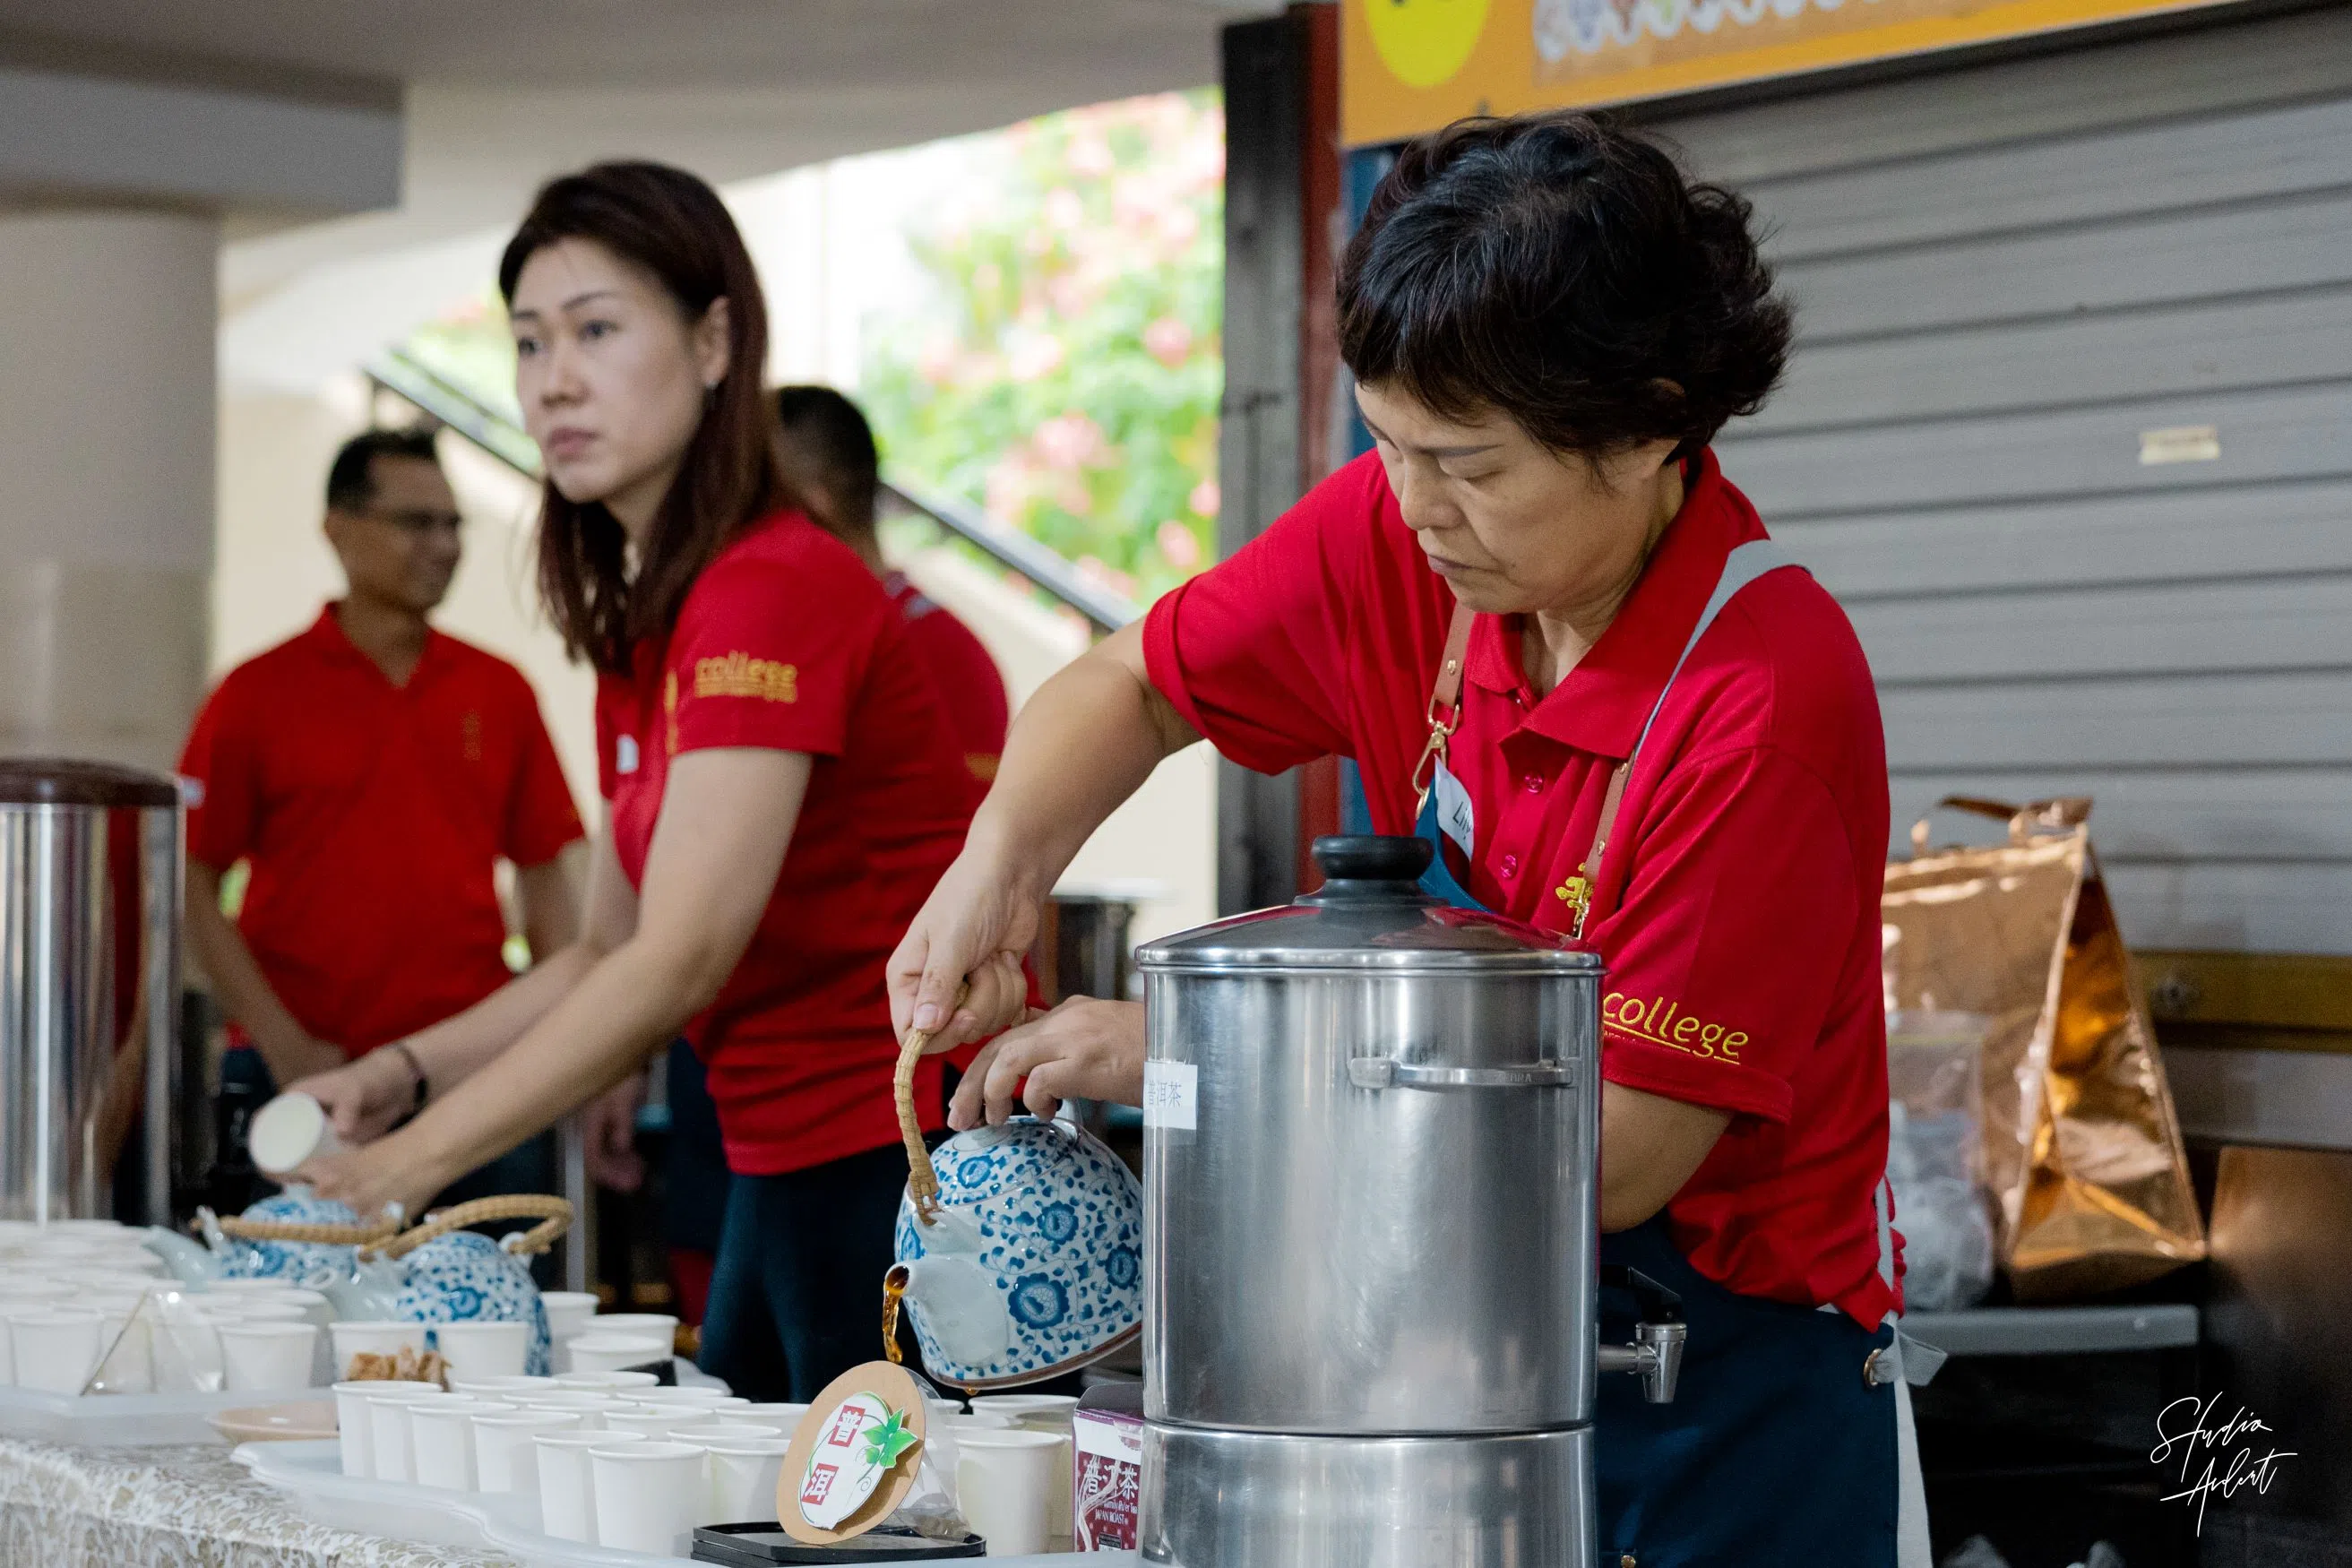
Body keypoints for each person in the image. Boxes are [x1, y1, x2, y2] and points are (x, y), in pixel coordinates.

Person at [891, 115, 1925, 1568]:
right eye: (1388, 447)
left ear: (1650, 425)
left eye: (1470, 464)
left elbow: (1614, 1153)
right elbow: (1133, 685)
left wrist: (1197, 1052)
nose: (1419, 507)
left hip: (1719, 1405)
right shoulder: (1407, 538)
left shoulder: (1760, 702)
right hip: (1442, 1358)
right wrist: (993, 874)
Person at [292, 162, 986, 1403]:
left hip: (896, 1159)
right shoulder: (654, 622)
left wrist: (409, 1163)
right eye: (528, 343)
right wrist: (402, 1070)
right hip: (774, 1154)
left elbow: (680, 958)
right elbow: (604, 948)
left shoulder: (774, 586)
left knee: (862, 1503)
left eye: (597, 330)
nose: (553, 380)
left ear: (714, 343)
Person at [635, 384, 1013, 1324]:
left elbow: (975, 874)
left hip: (876, 1073)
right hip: (745, 1052)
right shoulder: (712, 626)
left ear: (803, 499)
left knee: (859, 1382)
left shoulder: (923, 647)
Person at [180, 427, 585, 1203]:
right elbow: (191, 885)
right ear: (339, 529)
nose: (444, 546)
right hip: (300, 1081)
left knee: (488, 1278)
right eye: (415, 523)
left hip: (470, 1079)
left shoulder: (499, 690)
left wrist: (567, 1051)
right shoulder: (256, 693)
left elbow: (547, 886)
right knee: (292, 1279)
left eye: (453, 524)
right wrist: (286, 1045)